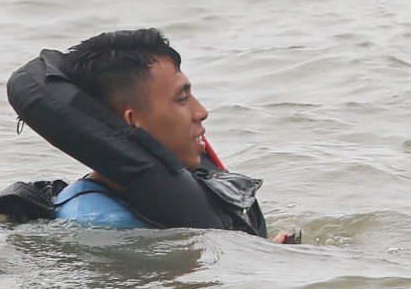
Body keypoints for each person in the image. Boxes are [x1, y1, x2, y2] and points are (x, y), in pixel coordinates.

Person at [47, 28, 299, 241]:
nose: (201, 111)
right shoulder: (99, 223)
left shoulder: (161, 198)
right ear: (132, 121)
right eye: (181, 99)